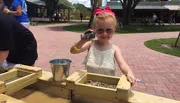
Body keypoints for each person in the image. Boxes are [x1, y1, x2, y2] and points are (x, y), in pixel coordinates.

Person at [70, 6, 136, 86]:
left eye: (109, 30)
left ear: (114, 30)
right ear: (94, 30)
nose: (104, 34)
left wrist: (129, 72)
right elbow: (73, 51)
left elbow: (122, 64)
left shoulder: (115, 49)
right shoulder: (91, 44)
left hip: (108, 87)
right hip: (90, 85)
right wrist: (82, 41)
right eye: (100, 31)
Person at [0, 1, 38, 68]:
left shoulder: (3, 21)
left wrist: (9, 12)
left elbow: (4, 51)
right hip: (12, 46)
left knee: (23, 74)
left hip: (24, 49)